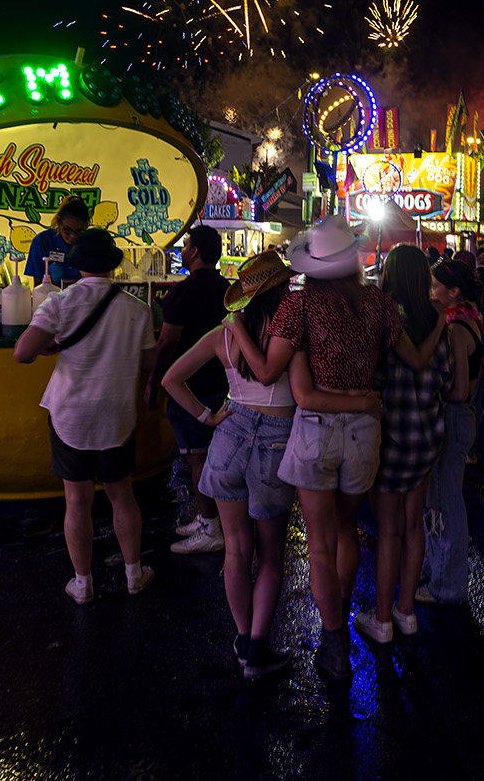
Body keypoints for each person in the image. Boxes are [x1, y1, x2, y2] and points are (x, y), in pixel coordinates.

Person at [237, 218, 445, 680]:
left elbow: (268, 373)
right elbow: (416, 358)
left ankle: (334, 644)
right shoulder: (380, 304)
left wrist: (235, 325)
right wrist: (440, 326)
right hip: (364, 431)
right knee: (347, 527)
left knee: (320, 544)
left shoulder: (299, 305)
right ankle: (343, 612)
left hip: (317, 430)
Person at [160, 252, 303, 678]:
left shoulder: (222, 334)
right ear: (281, 288)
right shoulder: (289, 332)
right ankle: (258, 649)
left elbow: (171, 379)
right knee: (271, 555)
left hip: (229, 435)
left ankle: (243, 640)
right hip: (275, 440)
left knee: (237, 550)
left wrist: (206, 417)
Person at [14, 228, 156, 605]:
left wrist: (51, 346)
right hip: (117, 414)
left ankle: (83, 584)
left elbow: (22, 352)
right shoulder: (137, 308)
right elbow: (149, 362)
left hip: (70, 414)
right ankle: (134, 574)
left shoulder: (60, 302)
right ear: (112, 265)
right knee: (122, 495)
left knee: (77, 501)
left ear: (77, 264)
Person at [352, 245, 453, 644]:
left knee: (389, 530)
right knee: (414, 525)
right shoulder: (437, 323)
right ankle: (405, 612)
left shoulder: (383, 320)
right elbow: (448, 380)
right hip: (426, 436)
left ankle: (382, 621)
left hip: (389, 436)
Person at [147, 225, 230, 555]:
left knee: (198, 459)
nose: (182, 251)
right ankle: (209, 517)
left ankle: (211, 527)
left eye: (185, 246)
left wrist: (154, 381)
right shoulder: (228, 289)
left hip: (189, 387)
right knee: (209, 456)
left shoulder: (184, 291)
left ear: (194, 252)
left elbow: (167, 342)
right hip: (221, 382)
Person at [418, 259, 484, 605]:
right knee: (440, 501)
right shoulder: (471, 318)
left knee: (446, 504)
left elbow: (459, 390)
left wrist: (433, 392)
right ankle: (436, 571)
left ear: (454, 291)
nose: (431, 292)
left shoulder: (457, 329)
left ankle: (446, 587)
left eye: (436, 287)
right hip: (461, 417)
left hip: (453, 416)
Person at [24, 196, 91, 288]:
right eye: (67, 229)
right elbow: (38, 286)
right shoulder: (42, 241)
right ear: (58, 223)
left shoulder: (92, 243)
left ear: (86, 226)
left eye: (79, 231)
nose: (73, 235)